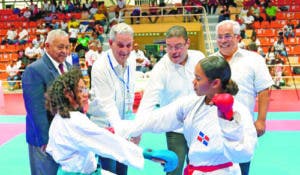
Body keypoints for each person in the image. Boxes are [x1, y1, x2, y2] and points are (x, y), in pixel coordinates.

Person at [116, 56, 257, 175]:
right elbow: (156, 119)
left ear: (215, 83)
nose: (193, 82)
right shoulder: (191, 104)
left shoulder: (239, 111)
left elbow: (244, 154)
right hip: (195, 169)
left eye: (198, 78)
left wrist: (227, 119)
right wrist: (118, 130)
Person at [45, 68, 178, 175]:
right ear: (68, 94)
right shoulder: (74, 120)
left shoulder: (59, 119)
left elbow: (78, 140)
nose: (86, 94)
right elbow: (108, 144)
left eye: (85, 88)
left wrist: (105, 132)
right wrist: (147, 154)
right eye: (81, 90)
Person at [137, 25, 205, 175]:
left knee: (201, 167)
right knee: (174, 168)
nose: (173, 51)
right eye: (169, 47)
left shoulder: (199, 58)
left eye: (178, 46)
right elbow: (148, 100)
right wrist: (137, 130)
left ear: (188, 43)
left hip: (200, 125)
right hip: (175, 128)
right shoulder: (161, 68)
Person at [211, 20, 273, 175]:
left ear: (238, 37)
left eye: (227, 36)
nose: (223, 41)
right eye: (219, 37)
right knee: (214, 168)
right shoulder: (210, 61)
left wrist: (261, 120)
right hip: (214, 125)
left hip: (243, 126)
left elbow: (264, 90)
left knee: (242, 168)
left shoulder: (254, 59)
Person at [88, 23, 137, 175]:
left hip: (123, 127)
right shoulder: (100, 67)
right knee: (110, 171)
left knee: (123, 171)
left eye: (129, 45)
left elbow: (130, 96)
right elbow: (107, 105)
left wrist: (134, 129)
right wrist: (123, 134)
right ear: (110, 43)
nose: (125, 50)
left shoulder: (132, 60)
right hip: (105, 130)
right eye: (120, 45)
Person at [22, 29, 72, 175]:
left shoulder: (68, 67)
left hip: (65, 136)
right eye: (60, 47)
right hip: (44, 138)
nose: (64, 51)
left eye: (67, 47)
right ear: (47, 46)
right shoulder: (34, 70)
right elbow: (35, 109)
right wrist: (45, 140)